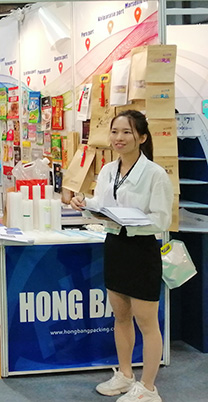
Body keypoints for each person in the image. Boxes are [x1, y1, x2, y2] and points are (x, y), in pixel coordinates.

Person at [70, 110, 173, 402]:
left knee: (147, 323)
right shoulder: (107, 170)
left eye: (127, 132)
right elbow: (103, 204)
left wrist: (128, 220)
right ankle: (125, 375)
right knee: (121, 317)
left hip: (141, 250)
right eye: (115, 131)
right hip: (115, 246)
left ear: (142, 137)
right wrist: (86, 203)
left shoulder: (155, 174)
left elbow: (162, 220)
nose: (119, 137)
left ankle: (148, 388)